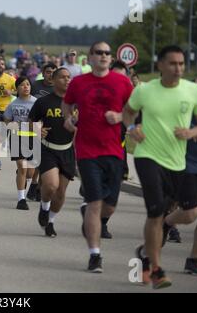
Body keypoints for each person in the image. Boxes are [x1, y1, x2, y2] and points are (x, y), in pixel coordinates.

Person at [123, 45, 197, 289]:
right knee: (155, 211)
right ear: (160, 65)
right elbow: (127, 113)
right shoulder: (145, 90)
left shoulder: (192, 91)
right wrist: (132, 129)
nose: (178, 68)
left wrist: (191, 131)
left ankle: (145, 251)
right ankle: (156, 269)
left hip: (178, 161)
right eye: (173, 64)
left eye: (182, 64)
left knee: (192, 213)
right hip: (147, 156)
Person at [63, 42, 133, 273]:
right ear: (90, 57)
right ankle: (95, 255)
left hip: (114, 151)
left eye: (106, 53)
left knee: (109, 207)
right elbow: (67, 104)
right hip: (87, 151)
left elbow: (134, 110)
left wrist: (121, 115)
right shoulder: (79, 82)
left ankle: (90, 214)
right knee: (94, 202)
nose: (103, 56)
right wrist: (69, 118)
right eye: (99, 53)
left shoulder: (122, 82)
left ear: (110, 58)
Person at [162, 48, 197, 276]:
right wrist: (192, 131)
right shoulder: (188, 90)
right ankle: (166, 222)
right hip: (188, 159)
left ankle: (193, 259)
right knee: (190, 213)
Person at [28, 67, 75, 237]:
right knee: (51, 185)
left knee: (61, 193)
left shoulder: (76, 104)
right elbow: (30, 121)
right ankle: (44, 207)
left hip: (68, 150)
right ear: (54, 80)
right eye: (62, 77)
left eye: (69, 77)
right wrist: (37, 129)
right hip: (48, 149)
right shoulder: (43, 102)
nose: (67, 80)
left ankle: (51, 221)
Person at [3, 77, 37, 211]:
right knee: (22, 168)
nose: (26, 87)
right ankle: (21, 199)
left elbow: (43, 119)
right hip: (17, 137)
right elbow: (6, 120)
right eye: (22, 85)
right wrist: (12, 124)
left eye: (28, 84)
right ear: (17, 88)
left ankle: (22, 176)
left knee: (30, 173)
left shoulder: (37, 102)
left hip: (34, 138)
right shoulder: (13, 104)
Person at [27, 62, 58, 202]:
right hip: (33, 123)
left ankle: (37, 187)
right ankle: (32, 181)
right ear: (43, 73)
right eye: (48, 72)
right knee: (33, 160)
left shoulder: (58, 89)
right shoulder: (35, 86)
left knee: (42, 160)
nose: (50, 74)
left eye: (53, 72)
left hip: (50, 127)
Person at [0, 58, 16, 170]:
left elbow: (20, 90)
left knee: (3, 137)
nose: (0, 65)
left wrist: (11, 92)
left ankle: (0, 148)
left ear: (4, 67)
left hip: (7, 110)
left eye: (2, 64)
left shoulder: (10, 79)